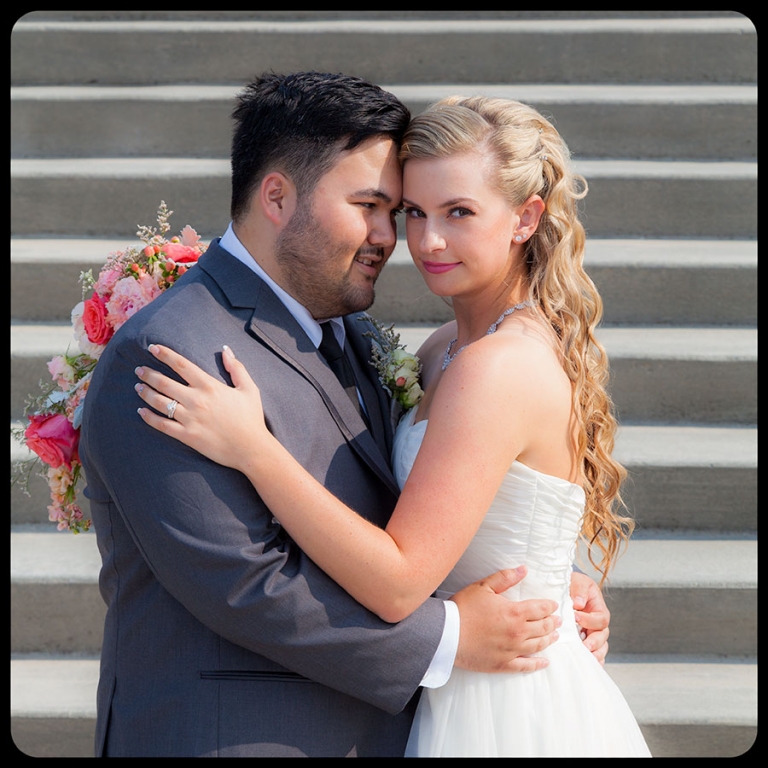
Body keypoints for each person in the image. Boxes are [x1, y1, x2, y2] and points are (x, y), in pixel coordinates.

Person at [80, 72, 610, 758]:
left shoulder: (364, 335)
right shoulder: (170, 354)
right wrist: (451, 635)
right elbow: (248, 583)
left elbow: (430, 505)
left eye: (409, 211)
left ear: (526, 218)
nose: (399, 239)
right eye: (379, 206)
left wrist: (543, 575)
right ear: (276, 195)